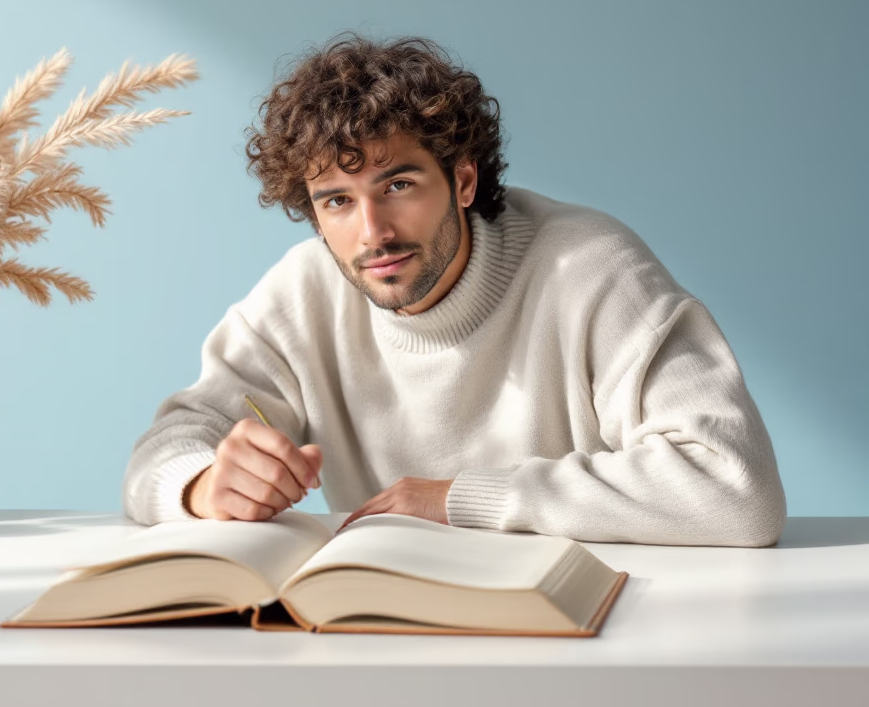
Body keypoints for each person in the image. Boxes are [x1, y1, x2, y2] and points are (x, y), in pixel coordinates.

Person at [121, 32, 787, 546]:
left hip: (586, 646)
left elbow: (736, 485)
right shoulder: (305, 292)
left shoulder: (588, 268)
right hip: (394, 647)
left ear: (463, 181)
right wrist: (207, 486)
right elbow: (165, 448)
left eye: (398, 186)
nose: (371, 232)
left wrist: (459, 498)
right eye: (337, 202)